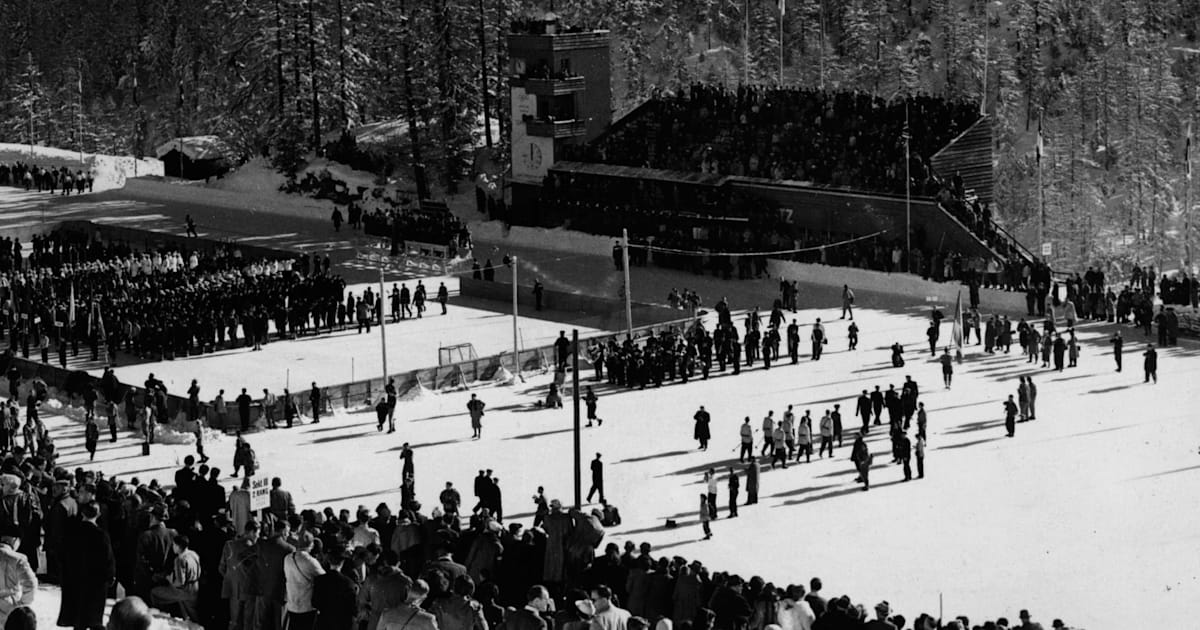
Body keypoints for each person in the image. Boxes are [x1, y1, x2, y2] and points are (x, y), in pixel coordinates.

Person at [58, 502, 111, 630]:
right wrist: (109, 577)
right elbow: (108, 560)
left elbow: (62, 555)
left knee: (78, 618)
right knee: (93, 619)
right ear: (98, 515)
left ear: (82, 513)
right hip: (95, 583)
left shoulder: (71, 533)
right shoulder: (101, 535)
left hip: (74, 579)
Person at [150, 534, 201, 619]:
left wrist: (168, 578)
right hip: (195, 587)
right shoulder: (193, 554)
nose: (173, 547)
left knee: (154, 593)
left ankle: (159, 619)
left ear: (177, 546)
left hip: (184, 591)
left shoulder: (179, 559)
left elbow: (180, 583)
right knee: (192, 615)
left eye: (173, 545)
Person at [283, 532, 325, 630]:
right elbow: (324, 577)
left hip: (291, 603)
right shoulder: (310, 561)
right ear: (311, 545)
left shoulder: (287, 558)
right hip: (306, 606)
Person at [0, 535, 35, 626]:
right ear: (14, 539)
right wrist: (22, 605)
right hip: (9, 609)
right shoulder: (18, 558)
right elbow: (31, 584)